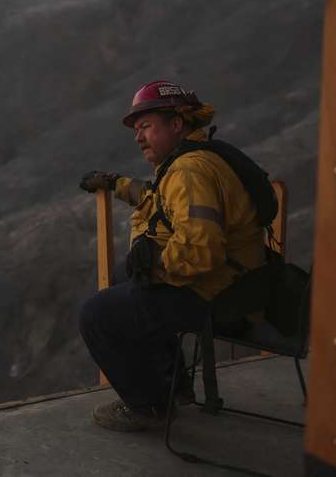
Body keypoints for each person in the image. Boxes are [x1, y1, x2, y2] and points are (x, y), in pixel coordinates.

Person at [77, 80, 268, 432]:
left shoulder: (189, 171)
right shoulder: (189, 160)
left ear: (177, 124)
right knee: (124, 276)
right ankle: (174, 388)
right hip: (239, 281)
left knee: (96, 314)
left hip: (223, 294)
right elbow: (154, 198)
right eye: (137, 130)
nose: (138, 138)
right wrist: (115, 182)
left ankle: (148, 406)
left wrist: (155, 264)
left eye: (146, 127)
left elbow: (200, 251)